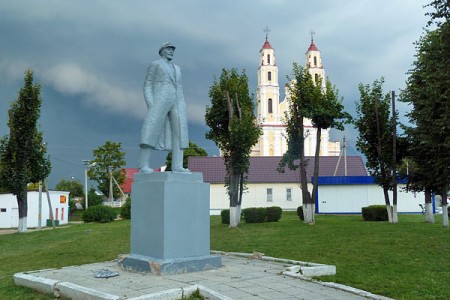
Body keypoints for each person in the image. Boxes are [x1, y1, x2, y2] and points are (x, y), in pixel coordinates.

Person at [139, 42, 190, 173]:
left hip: (177, 101)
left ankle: (177, 166)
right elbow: (148, 84)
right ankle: (143, 165)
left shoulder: (177, 68)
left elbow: (179, 86)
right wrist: (151, 103)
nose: (171, 51)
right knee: (151, 130)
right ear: (161, 51)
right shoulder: (155, 64)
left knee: (179, 132)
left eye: (173, 49)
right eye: (168, 49)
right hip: (159, 101)